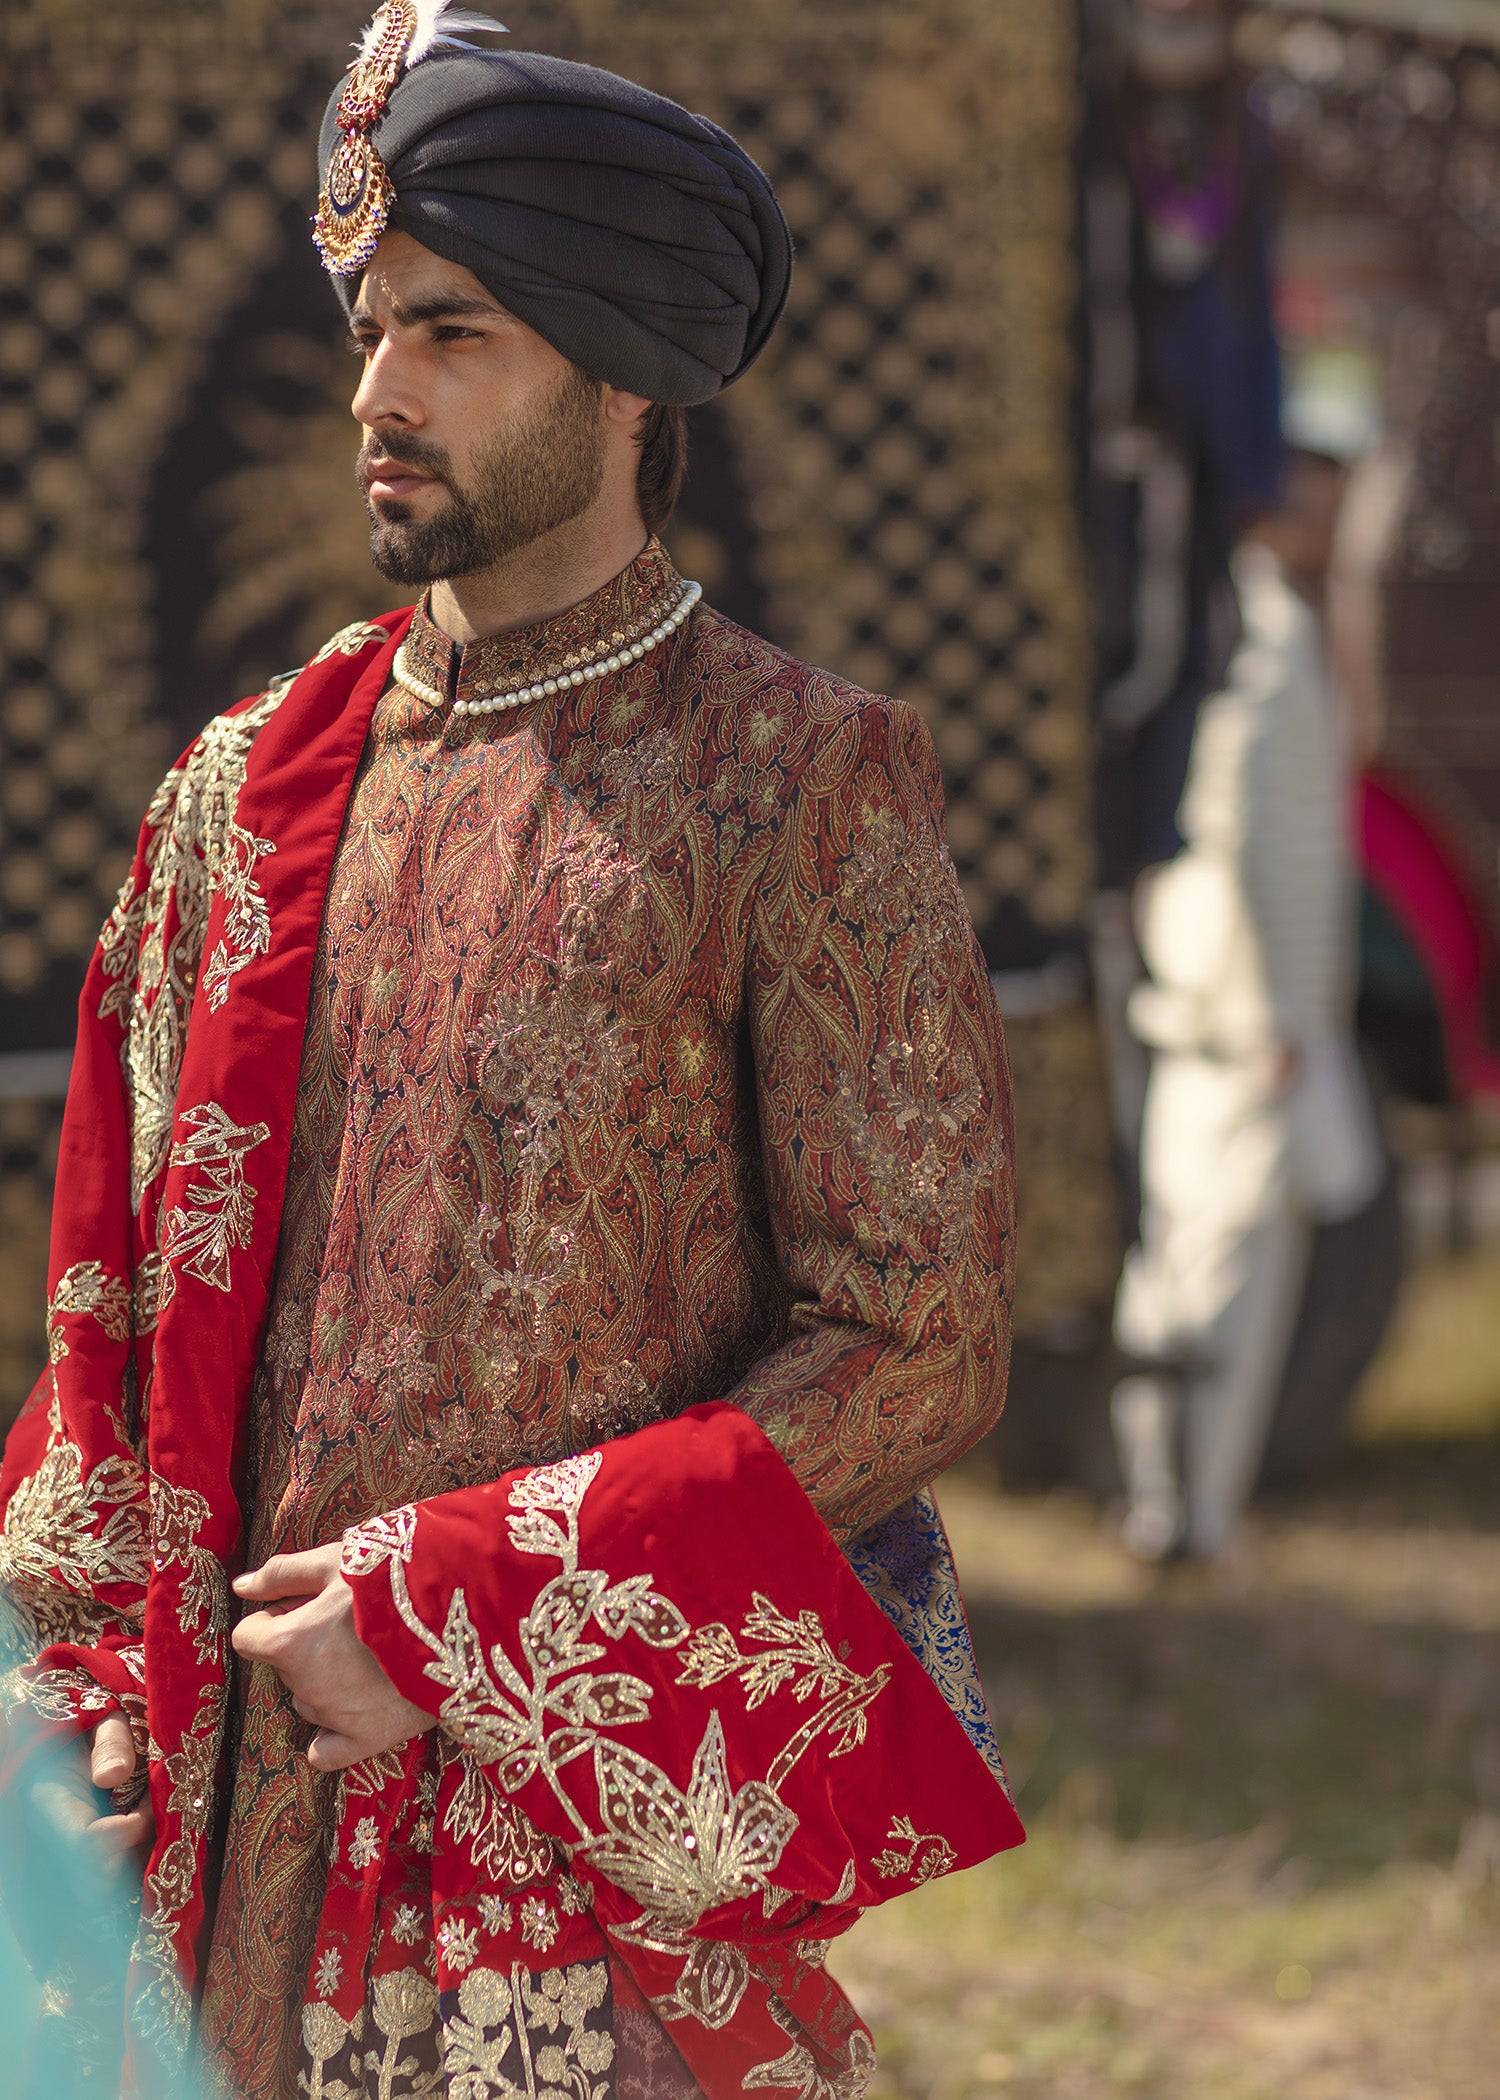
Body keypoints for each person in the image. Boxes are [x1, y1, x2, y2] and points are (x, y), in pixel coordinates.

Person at [0, 7, 1021, 2096]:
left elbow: (917, 1337)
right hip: (192, 1851)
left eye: (453, 332)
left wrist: (460, 1604)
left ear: (623, 375)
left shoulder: (794, 786)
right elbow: (109, 1320)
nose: (375, 391)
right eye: (374, 324)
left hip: (551, 1861)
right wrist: (74, 1687)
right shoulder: (239, 790)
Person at [1110, 371, 1384, 1562]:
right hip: (1243, 1018)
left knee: (1191, 1255)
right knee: (1221, 1266)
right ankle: (1185, 1516)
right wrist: (1273, 1011)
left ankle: (1175, 1505)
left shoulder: (1242, 618)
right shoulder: (1263, 633)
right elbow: (1244, 838)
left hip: (1225, 1007)